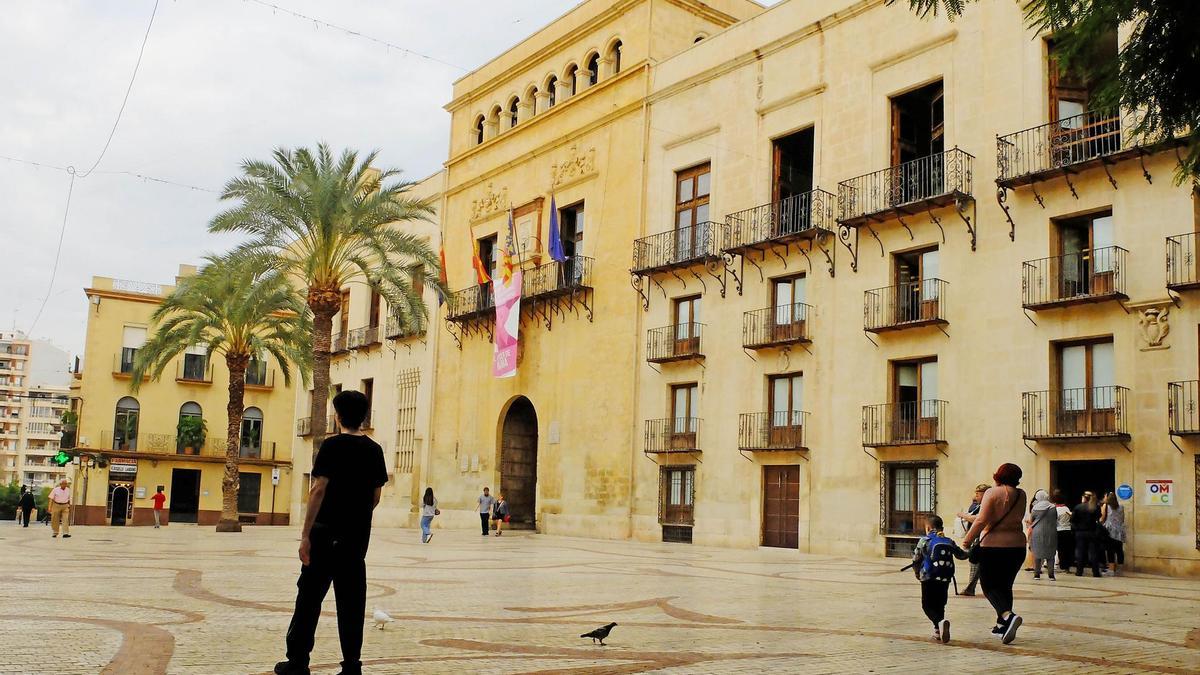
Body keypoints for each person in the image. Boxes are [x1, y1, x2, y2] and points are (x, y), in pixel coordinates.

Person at [275, 390, 388, 675]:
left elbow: (318, 490)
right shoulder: (375, 451)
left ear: (337, 416)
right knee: (351, 604)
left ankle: (298, 661)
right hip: (356, 540)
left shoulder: (331, 446)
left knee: (308, 599)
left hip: (324, 535)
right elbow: (376, 497)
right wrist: (357, 518)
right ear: (364, 416)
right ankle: (352, 666)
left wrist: (305, 534)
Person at [962, 462, 1027, 645]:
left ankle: (1008, 615)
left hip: (994, 546)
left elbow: (982, 520)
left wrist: (967, 540)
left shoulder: (992, 492)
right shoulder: (1021, 494)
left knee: (989, 585)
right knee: (1005, 586)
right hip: (1017, 546)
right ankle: (1002, 625)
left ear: (998, 475)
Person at [911, 515, 969, 643]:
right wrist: (972, 548)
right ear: (942, 527)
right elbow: (962, 555)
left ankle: (939, 623)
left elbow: (916, 559)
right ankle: (938, 632)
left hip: (928, 577)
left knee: (927, 605)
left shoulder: (924, 540)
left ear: (928, 527)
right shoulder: (949, 541)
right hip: (945, 578)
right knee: (940, 604)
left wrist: (917, 573)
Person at [955, 483, 989, 596]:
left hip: (984, 539)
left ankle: (972, 588)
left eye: (978, 494)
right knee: (977, 563)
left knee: (976, 562)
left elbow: (977, 519)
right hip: (978, 539)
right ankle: (972, 588)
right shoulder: (979, 505)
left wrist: (963, 515)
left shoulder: (987, 506)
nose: (976, 496)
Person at [1024, 489, 1057, 580]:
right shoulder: (1053, 507)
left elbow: (1032, 520)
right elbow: (1055, 519)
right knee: (1051, 554)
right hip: (1051, 531)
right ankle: (1051, 575)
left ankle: (1037, 574)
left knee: (1037, 553)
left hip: (1037, 532)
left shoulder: (1035, 507)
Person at [1070, 491, 1102, 578]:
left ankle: (1079, 571)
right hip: (1092, 532)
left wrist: (1075, 529)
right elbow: (1099, 518)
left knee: (1080, 552)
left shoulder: (1078, 507)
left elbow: (1072, 520)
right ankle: (1096, 572)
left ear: (1083, 498)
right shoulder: (1095, 507)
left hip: (1080, 532)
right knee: (1094, 552)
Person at [1100, 492, 1126, 576]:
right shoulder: (1121, 507)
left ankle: (1111, 570)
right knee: (1119, 550)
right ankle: (1120, 570)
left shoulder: (1106, 506)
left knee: (1110, 549)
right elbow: (1122, 519)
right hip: (1119, 530)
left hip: (1109, 530)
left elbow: (1103, 518)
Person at [1052, 490, 1074, 573]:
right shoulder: (1066, 508)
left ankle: (1063, 565)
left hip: (1059, 530)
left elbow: (1054, 521)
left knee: (1060, 549)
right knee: (1067, 549)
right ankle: (1067, 567)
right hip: (1068, 530)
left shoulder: (1056, 510)